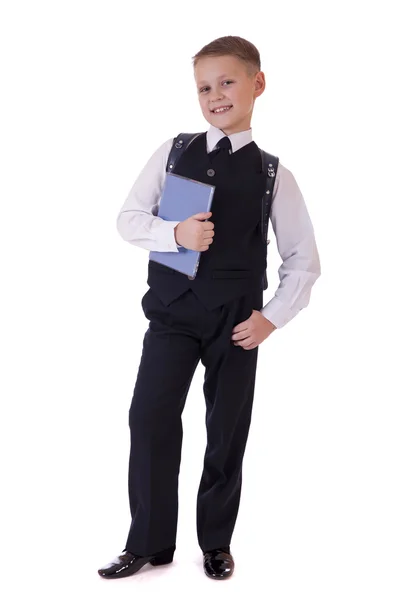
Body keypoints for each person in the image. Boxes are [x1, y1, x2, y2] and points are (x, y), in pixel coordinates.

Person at [98, 35, 321, 581]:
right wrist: (174, 231)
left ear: (257, 84)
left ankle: (215, 543)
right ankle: (149, 542)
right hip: (172, 314)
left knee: (226, 430)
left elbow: (303, 259)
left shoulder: (274, 176)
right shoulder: (173, 151)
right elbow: (128, 219)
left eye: (227, 82)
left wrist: (272, 317)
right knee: (149, 417)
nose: (215, 94)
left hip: (236, 323)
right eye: (204, 86)